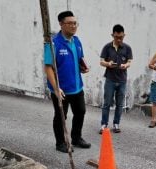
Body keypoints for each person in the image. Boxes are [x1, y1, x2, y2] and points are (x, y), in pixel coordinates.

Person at [44, 11, 91, 153]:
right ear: (61, 24)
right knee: (60, 116)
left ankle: (76, 138)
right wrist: (56, 88)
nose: (73, 26)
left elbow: (79, 58)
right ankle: (60, 143)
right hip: (61, 89)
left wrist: (83, 67)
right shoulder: (53, 43)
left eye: (75, 23)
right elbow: (48, 68)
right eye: (69, 23)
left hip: (77, 87)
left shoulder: (77, 41)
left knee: (80, 112)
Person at [99, 24, 133, 134]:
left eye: (121, 37)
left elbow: (129, 61)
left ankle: (116, 124)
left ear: (124, 35)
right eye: (116, 37)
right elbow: (101, 61)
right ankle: (104, 124)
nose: (119, 39)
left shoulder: (127, 48)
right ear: (112, 35)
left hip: (122, 80)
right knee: (107, 103)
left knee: (119, 104)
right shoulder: (107, 47)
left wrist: (126, 65)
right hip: (110, 79)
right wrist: (108, 64)